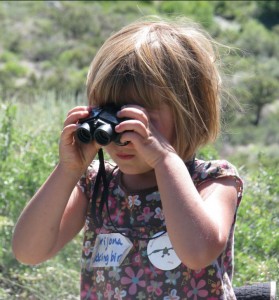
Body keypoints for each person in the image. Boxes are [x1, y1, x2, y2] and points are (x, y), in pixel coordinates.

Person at [12, 17, 243, 300]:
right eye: (112, 112)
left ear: (188, 112)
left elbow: (197, 253)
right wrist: (68, 169)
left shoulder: (214, 181)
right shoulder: (96, 186)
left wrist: (164, 159)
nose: (123, 130)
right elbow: (28, 251)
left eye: (137, 115)